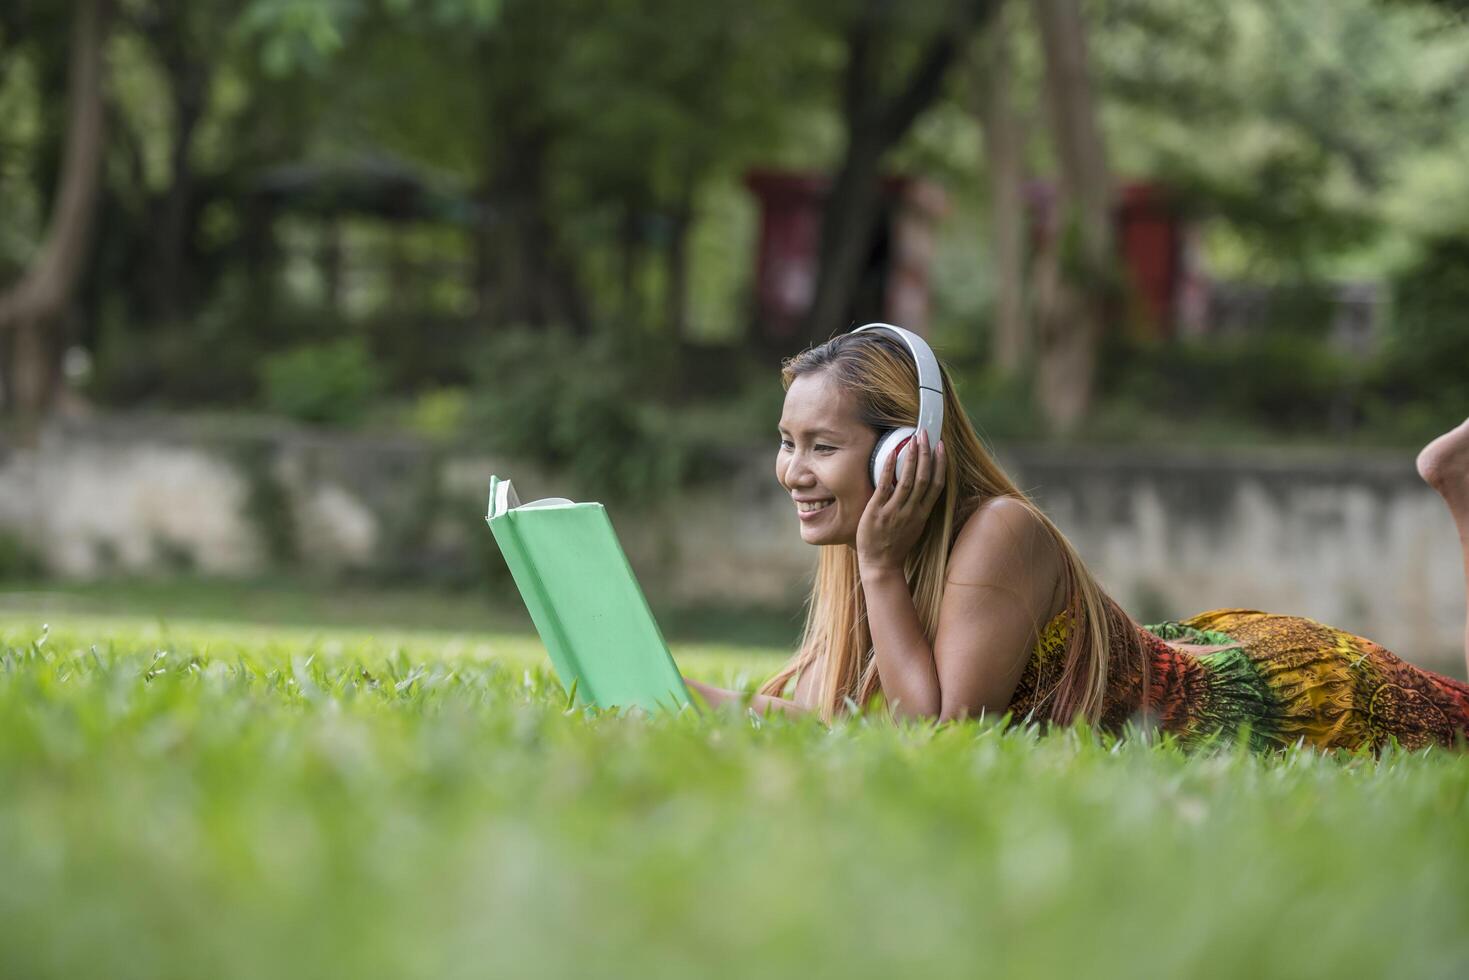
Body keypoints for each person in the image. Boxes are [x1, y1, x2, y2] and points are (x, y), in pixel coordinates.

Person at [683, 329, 1469, 754]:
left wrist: (879, 567)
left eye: (821, 447)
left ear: (905, 450)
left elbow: (938, 739)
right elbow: (840, 720)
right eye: (787, 442)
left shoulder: (997, 532)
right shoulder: (867, 562)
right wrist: (675, 692)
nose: (792, 472)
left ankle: (1455, 482)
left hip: (1283, 701)